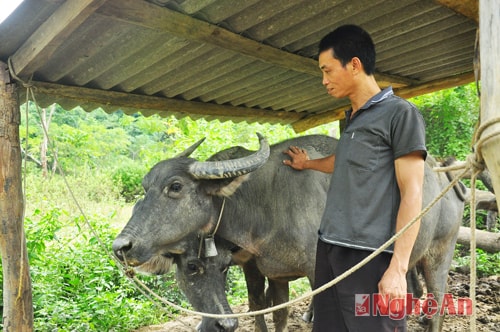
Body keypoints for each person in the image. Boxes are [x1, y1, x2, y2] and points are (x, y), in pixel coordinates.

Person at [283, 24, 426, 332]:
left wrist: (398, 269)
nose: (323, 80)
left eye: (328, 70)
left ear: (355, 65)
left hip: (370, 256)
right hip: (330, 247)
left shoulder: (400, 114)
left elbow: (413, 192)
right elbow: (346, 162)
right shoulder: (353, 119)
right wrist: (307, 165)